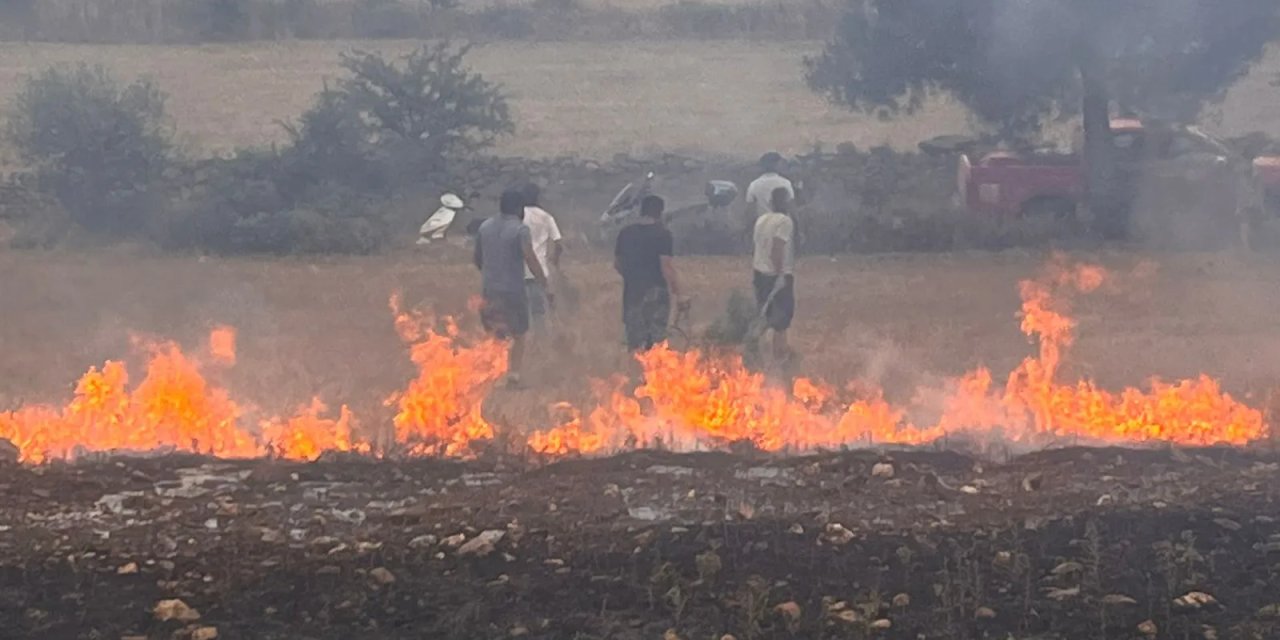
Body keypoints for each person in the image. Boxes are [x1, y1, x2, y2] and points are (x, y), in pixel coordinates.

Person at [474, 188, 551, 388]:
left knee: (497, 332)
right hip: (513, 291)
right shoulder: (520, 229)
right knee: (519, 333)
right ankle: (513, 376)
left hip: (489, 290)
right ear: (519, 209)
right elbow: (530, 258)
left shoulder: (484, 227)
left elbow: (477, 259)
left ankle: (494, 373)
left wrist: (492, 273)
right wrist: (544, 282)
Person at [614, 195, 688, 352]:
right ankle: (654, 374)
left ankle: (632, 373)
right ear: (660, 213)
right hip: (656, 294)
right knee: (656, 343)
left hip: (632, 294)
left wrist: (632, 277)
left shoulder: (625, 233)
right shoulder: (663, 234)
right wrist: (680, 294)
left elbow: (617, 264)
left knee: (634, 342)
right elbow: (666, 267)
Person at [752, 186, 796, 365]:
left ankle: (757, 355)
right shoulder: (785, 222)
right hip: (775, 274)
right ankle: (780, 357)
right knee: (781, 320)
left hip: (759, 272)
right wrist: (780, 275)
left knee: (763, 315)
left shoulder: (761, 219)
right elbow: (777, 248)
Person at [521, 183, 564, 333]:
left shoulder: (517, 217)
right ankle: (540, 342)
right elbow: (558, 244)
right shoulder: (546, 217)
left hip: (516, 272)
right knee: (538, 312)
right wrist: (555, 260)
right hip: (539, 271)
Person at [744, 152, 795, 245]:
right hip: (782, 224)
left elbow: (749, 210)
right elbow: (791, 207)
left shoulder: (754, 184)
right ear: (776, 164)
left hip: (761, 225)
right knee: (782, 254)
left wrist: (748, 229)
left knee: (762, 254)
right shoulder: (785, 183)